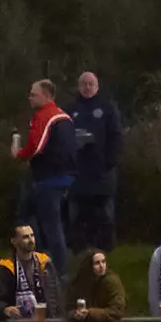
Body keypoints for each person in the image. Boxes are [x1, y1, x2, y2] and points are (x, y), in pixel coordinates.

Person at [11, 79, 76, 272]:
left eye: (33, 94)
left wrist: (19, 154)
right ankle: (34, 256)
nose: (29, 98)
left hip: (49, 179)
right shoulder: (65, 116)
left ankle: (58, 270)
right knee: (26, 214)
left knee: (50, 225)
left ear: (46, 96)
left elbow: (36, 146)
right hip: (63, 178)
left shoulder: (45, 115)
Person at [65, 70, 125, 255]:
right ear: (79, 86)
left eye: (91, 84)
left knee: (105, 213)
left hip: (102, 173)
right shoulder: (71, 108)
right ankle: (79, 248)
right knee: (76, 212)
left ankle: (106, 248)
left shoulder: (107, 107)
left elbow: (116, 136)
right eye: (84, 84)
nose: (87, 87)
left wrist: (109, 162)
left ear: (97, 86)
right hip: (78, 173)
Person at [0, 223, 64, 321]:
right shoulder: (8, 267)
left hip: (45, 321)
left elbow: (56, 295)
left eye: (32, 235)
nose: (31, 240)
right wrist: (5, 310)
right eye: (25, 237)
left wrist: (58, 318)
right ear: (14, 241)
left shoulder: (44, 262)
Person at [64, 248, 127, 320]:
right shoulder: (81, 282)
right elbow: (68, 308)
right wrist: (74, 314)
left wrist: (90, 313)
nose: (101, 266)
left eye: (103, 262)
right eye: (97, 263)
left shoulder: (112, 281)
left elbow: (117, 311)